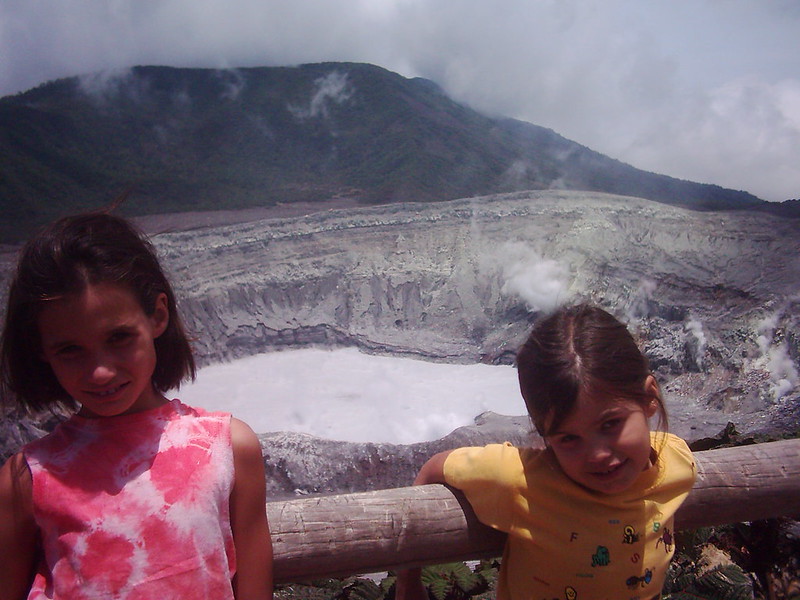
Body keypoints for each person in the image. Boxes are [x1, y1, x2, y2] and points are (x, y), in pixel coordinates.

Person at [0, 212, 273, 600]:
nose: (100, 372)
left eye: (119, 337)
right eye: (70, 349)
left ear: (158, 315)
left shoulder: (231, 449)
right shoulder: (24, 482)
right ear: (41, 350)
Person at [396, 304, 696, 600]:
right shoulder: (523, 480)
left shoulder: (677, 462)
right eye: (568, 438)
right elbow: (435, 467)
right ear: (545, 437)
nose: (597, 454)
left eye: (611, 424)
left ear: (649, 398)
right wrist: (408, 584)